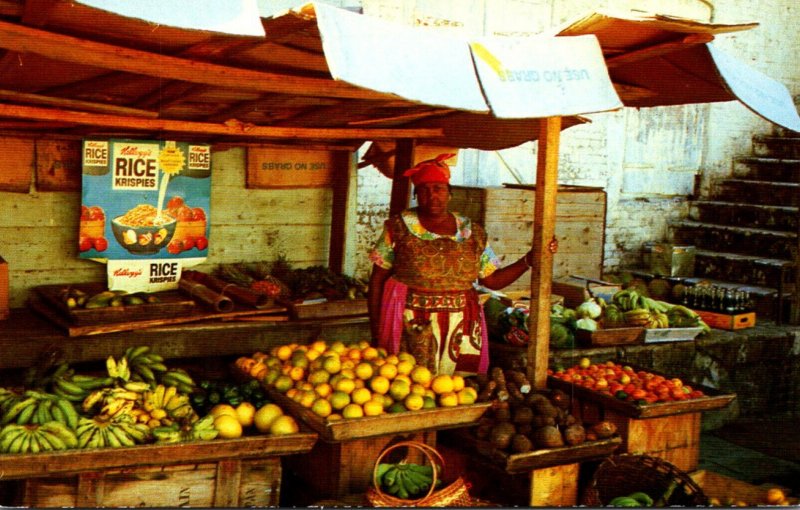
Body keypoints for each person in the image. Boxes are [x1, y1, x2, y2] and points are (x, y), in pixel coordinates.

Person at [368, 153, 551, 375]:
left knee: (458, 387)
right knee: (408, 383)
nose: (432, 195)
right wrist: (377, 328)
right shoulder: (397, 228)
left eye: (438, 188)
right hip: (410, 322)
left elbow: (491, 280)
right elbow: (377, 279)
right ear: (416, 196)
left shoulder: (472, 232)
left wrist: (529, 260)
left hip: (462, 322)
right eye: (424, 190)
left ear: (449, 194)